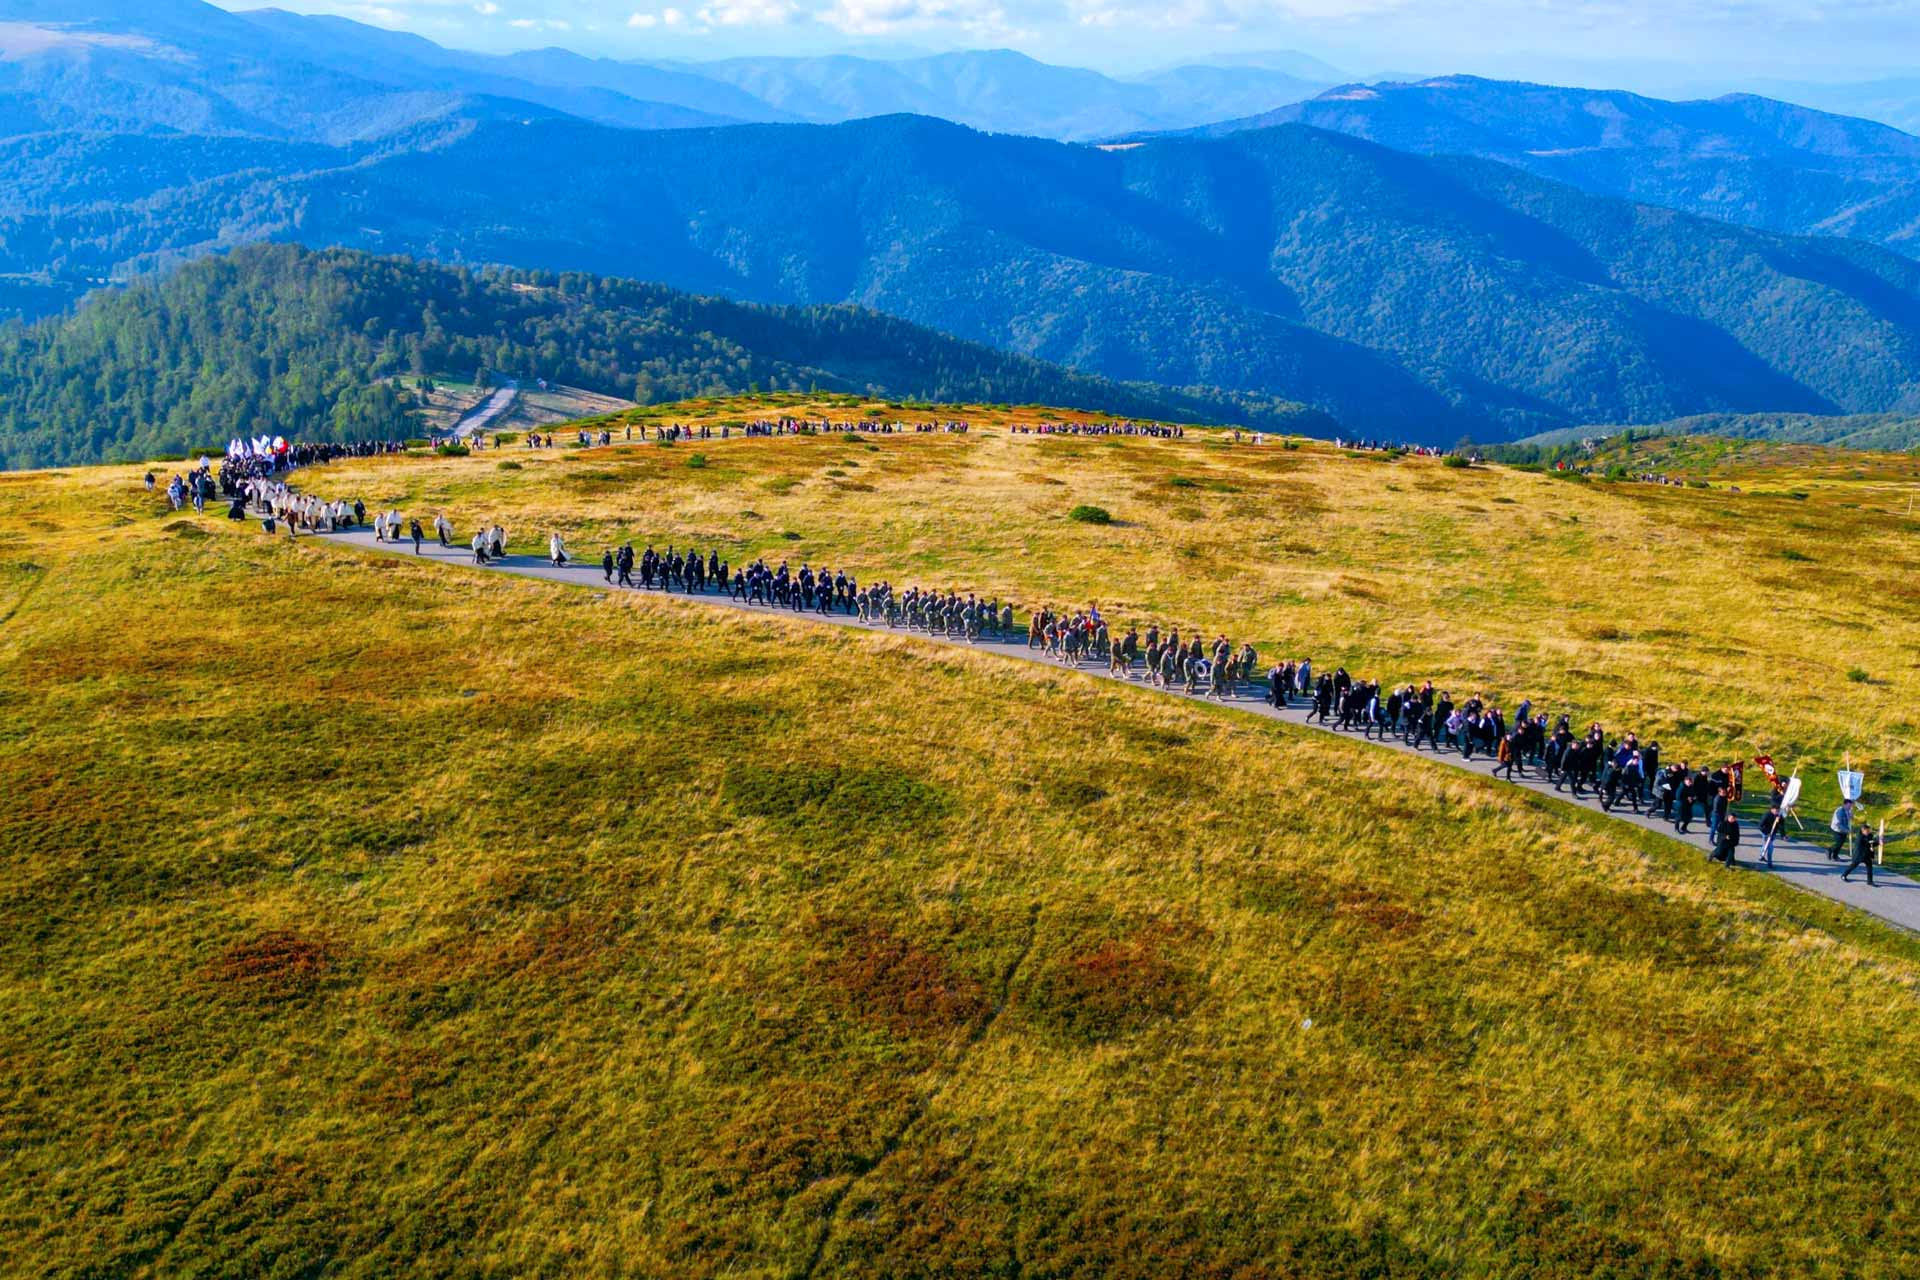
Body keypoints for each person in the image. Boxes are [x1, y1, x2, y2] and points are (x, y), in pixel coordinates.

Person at [1758, 800, 1784, 868]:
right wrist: (1767, 833)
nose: (1777, 812)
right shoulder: (1766, 815)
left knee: (1765, 845)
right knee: (1770, 847)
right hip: (1766, 833)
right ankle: (1770, 863)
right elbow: (1760, 826)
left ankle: (1761, 855)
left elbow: (1781, 826)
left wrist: (1783, 835)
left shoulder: (1779, 816)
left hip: (1773, 833)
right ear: (1772, 809)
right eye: (1776, 810)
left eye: (1778, 810)